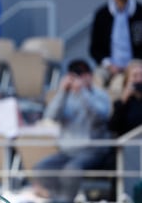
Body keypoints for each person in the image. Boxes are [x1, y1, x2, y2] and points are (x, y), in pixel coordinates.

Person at [33, 59, 111, 202]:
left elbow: (99, 117)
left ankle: (64, 200)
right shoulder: (65, 96)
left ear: (90, 76)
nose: (79, 78)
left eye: (82, 74)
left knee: (71, 170)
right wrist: (63, 92)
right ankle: (58, 198)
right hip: (67, 151)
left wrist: (82, 93)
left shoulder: (100, 95)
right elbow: (50, 116)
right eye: (75, 75)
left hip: (91, 150)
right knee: (41, 168)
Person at [89, 0, 142, 85]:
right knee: (96, 80)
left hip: (136, 64)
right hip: (109, 66)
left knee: (136, 75)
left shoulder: (140, 12)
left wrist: (133, 65)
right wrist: (109, 65)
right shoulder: (102, 14)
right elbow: (95, 49)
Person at [109, 59, 142, 136]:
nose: (139, 79)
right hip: (130, 145)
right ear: (127, 80)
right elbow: (113, 127)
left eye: (141, 75)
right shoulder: (121, 102)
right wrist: (123, 100)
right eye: (135, 76)